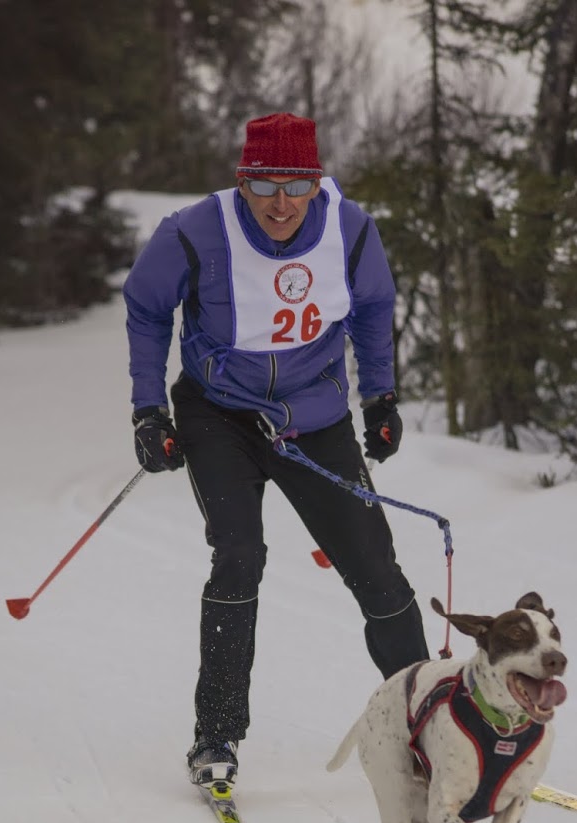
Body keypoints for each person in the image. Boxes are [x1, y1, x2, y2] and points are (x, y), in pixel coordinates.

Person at [123, 111, 429, 787]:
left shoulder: (351, 230)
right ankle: (216, 736)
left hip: (313, 419)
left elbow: (375, 306)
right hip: (219, 417)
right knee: (239, 554)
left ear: (318, 183)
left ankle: (426, 726)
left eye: (297, 185)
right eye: (265, 186)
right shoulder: (195, 231)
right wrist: (149, 410)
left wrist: (380, 397)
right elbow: (147, 307)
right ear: (244, 183)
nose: (282, 203)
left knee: (376, 567)